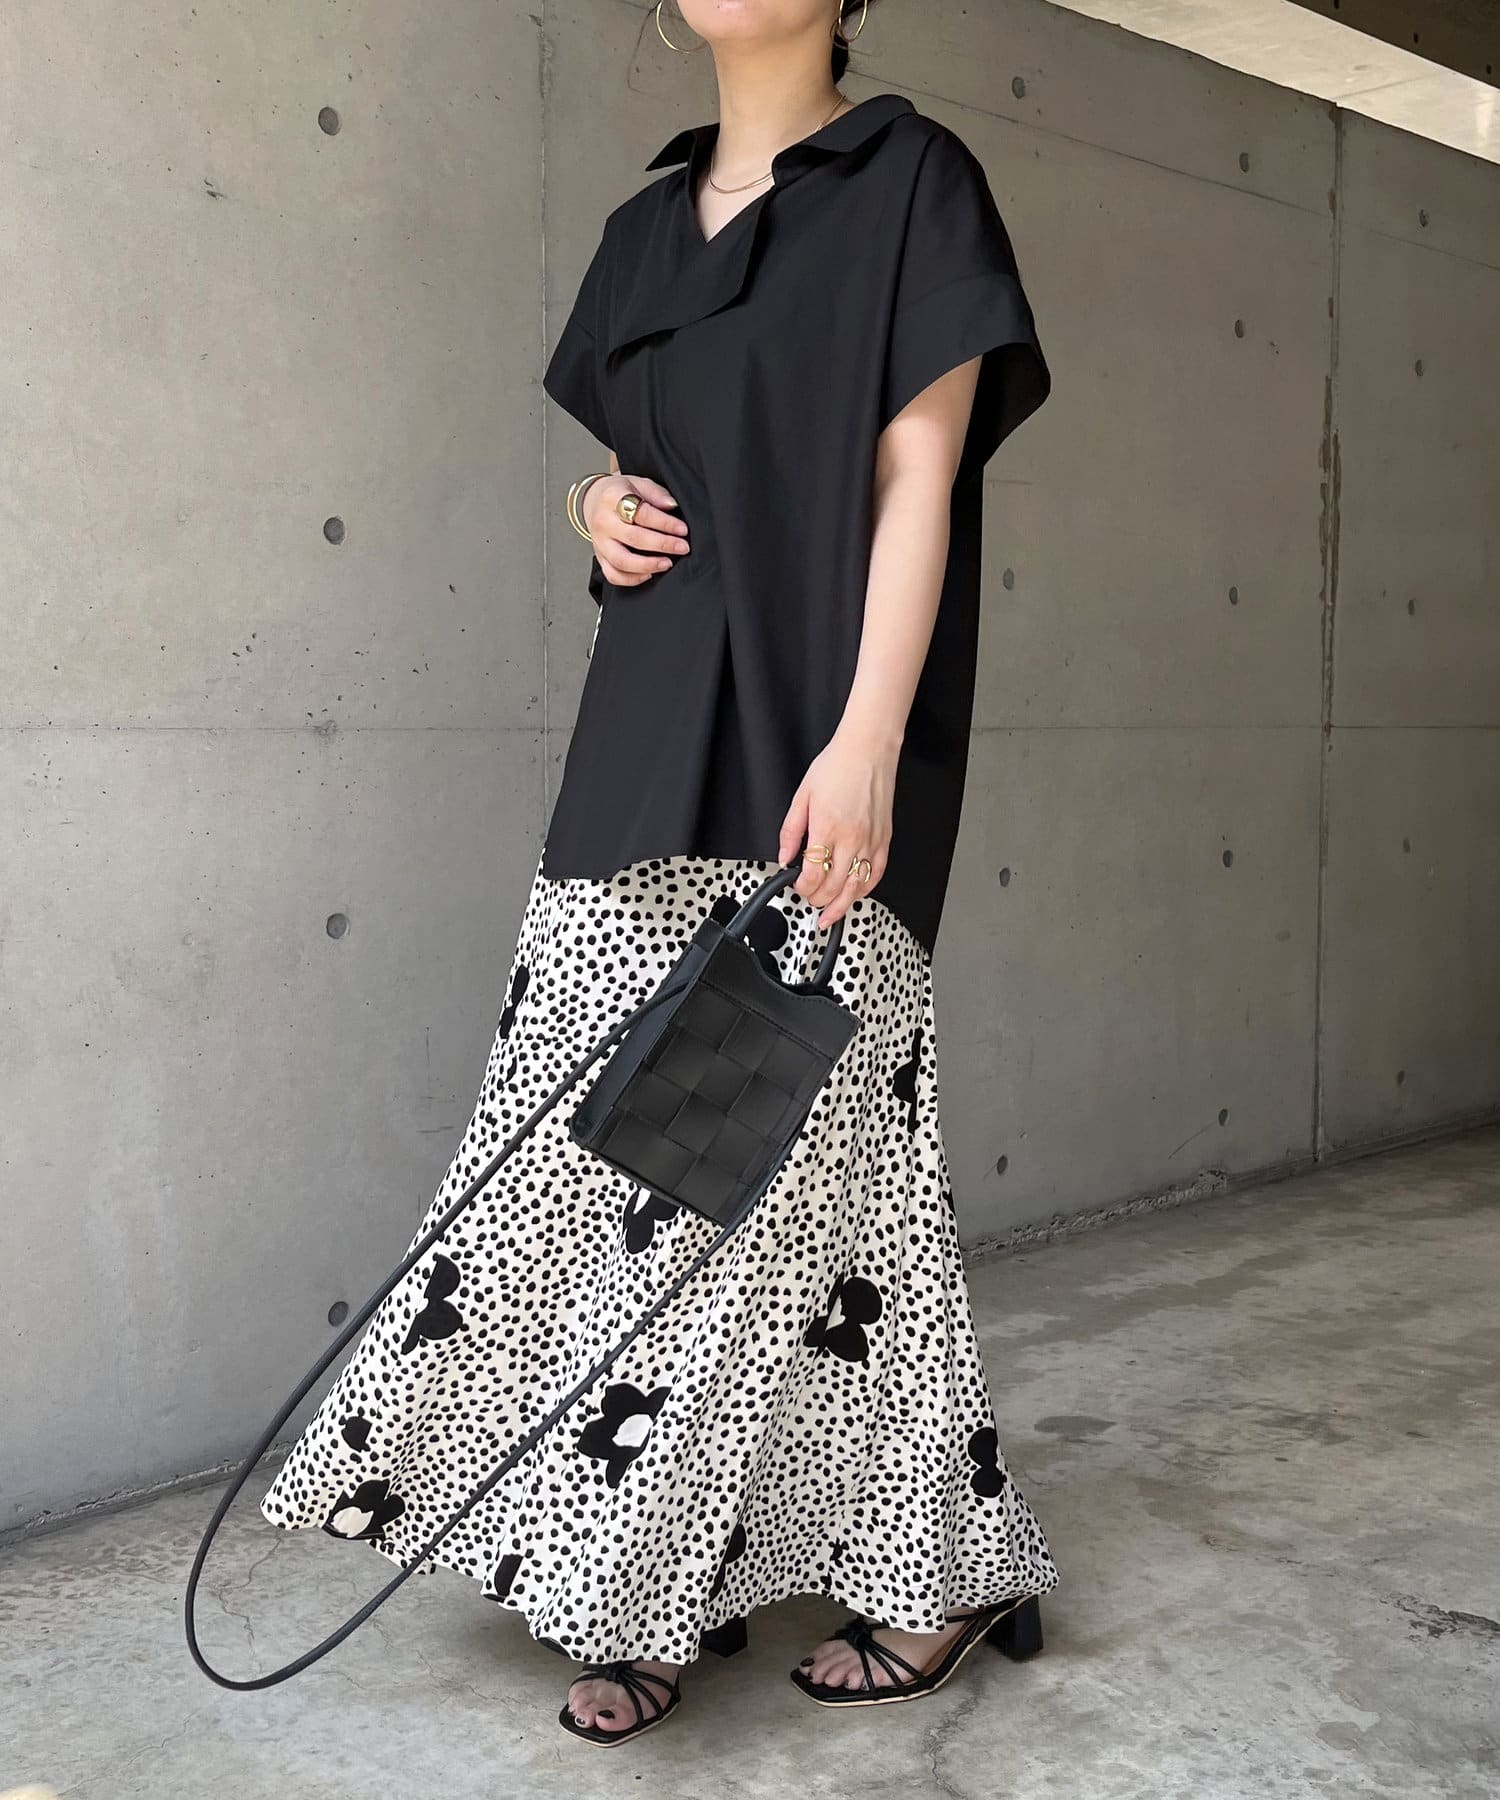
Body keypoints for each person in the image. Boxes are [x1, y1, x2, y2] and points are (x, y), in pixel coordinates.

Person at [257, 0, 1061, 1748]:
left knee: (775, 1194)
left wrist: (869, 740)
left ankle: (705, 1580)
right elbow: (647, 468)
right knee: (599, 1174)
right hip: (644, 743)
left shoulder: (910, 179)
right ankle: (777, 1566)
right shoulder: (643, 228)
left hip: (824, 752)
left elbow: (916, 479)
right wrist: (594, 511)